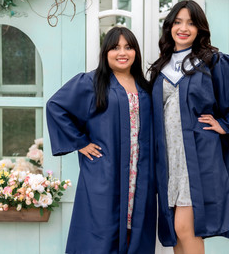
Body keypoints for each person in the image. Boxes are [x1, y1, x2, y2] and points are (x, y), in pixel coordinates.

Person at [148, 0, 229, 254]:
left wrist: (225, 125)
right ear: (169, 27)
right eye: (178, 22)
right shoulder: (161, 66)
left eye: (191, 22)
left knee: (186, 228)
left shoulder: (212, 62)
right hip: (168, 159)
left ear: (200, 29)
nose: (183, 28)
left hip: (198, 155)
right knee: (177, 233)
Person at [46, 27, 156, 254]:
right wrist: (80, 142)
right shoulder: (92, 82)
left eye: (128, 47)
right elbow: (56, 106)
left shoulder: (144, 87)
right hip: (106, 172)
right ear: (106, 52)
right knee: (102, 234)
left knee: (135, 231)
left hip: (139, 173)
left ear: (136, 52)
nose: (122, 52)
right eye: (115, 47)